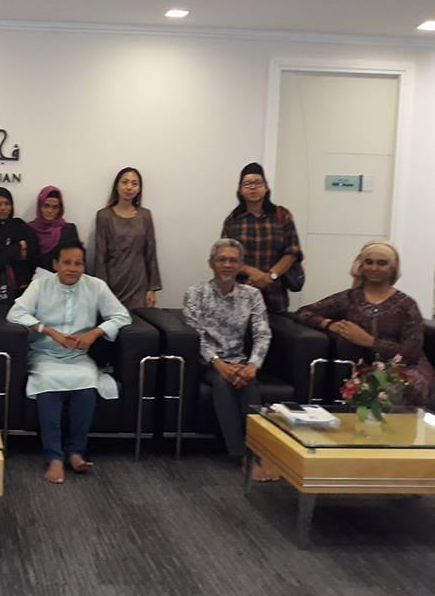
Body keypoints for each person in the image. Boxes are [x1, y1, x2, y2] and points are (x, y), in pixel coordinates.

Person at [7, 240, 130, 484]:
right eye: (67, 263)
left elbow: (121, 316)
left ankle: (75, 451)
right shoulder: (40, 286)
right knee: (48, 383)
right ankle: (54, 456)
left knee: (86, 383)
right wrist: (49, 331)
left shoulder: (96, 286)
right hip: (44, 355)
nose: (73, 268)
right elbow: (15, 313)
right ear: (55, 264)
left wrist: (93, 334)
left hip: (78, 356)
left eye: (78, 263)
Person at [296, 240, 435, 407]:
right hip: (364, 366)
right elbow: (303, 312)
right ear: (361, 265)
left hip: (407, 368)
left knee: (397, 386)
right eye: (369, 262)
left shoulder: (406, 305)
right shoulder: (349, 298)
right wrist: (328, 324)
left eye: (382, 263)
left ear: (393, 268)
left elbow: (410, 353)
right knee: (363, 385)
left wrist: (370, 341)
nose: (374, 268)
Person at [182, 238, 275, 480]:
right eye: (221, 259)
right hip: (208, 363)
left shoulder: (252, 295)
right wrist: (218, 363)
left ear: (241, 265)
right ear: (211, 263)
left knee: (248, 384)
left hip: (241, 361)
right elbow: (196, 335)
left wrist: (253, 364)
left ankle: (256, 452)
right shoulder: (196, 293)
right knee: (223, 383)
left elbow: (262, 332)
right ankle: (242, 455)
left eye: (233, 260)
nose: (227, 264)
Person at [221, 162, 302, 313]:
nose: (253, 187)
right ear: (240, 189)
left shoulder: (282, 215)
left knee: (278, 335)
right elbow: (225, 257)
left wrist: (270, 276)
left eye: (258, 183)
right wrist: (253, 272)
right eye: (247, 184)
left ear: (266, 187)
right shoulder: (233, 220)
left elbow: (293, 252)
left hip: (275, 295)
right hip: (240, 295)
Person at [94, 167, 162, 309]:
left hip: (139, 283)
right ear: (117, 186)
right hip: (112, 283)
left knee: (139, 328)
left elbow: (151, 253)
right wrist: (102, 291)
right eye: (125, 182)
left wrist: (152, 289)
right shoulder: (104, 216)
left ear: (139, 188)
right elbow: (100, 257)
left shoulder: (145, 216)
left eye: (134, 183)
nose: (129, 187)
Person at [29, 185, 80, 273]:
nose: (50, 211)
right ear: (40, 207)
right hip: (34, 282)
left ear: (60, 209)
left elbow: (76, 259)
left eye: (55, 207)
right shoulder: (29, 229)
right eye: (46, 206)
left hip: (62, 281)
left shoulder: (68, 230)